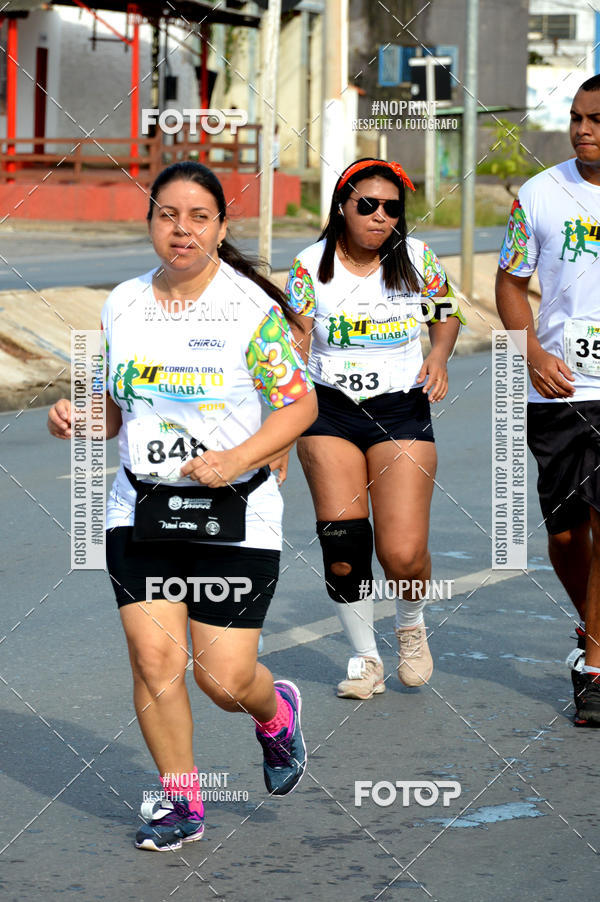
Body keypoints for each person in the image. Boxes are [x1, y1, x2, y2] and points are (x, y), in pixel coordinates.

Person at [47, 162, 317, 849]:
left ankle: (275, 712)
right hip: (140, 510)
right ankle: (181, 803)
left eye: (199, 217)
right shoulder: (124, 303)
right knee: (153, 661)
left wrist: (238, 457)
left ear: (222, 228)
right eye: (169, 214)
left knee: (222, 679)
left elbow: (300, 405)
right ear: (150, 223)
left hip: (234, 513)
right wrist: (79, 418)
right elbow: (117, 410)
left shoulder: (249, 311)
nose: (183, 229)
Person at [284, 157, 464, 699]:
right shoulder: (309, 265)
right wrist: (280, 424)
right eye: (368, 204)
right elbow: (294, 344)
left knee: (402, 553)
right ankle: (365, 659)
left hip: (399, 410)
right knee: (343, 545)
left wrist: (439, 354)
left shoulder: (415, 260)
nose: (380, 215)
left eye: (391, 208)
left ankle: (409, 622)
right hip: (328, 410)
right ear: (343, 206)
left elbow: (447, 312)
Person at [495, 75, 600, 726]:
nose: (583, 129)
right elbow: (510, 284)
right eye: (577, 117)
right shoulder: (538, 194)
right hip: (560, 387)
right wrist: (531, 353)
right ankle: (589, 622)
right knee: (566, 532)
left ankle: (594, 665)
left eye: (596, 119)